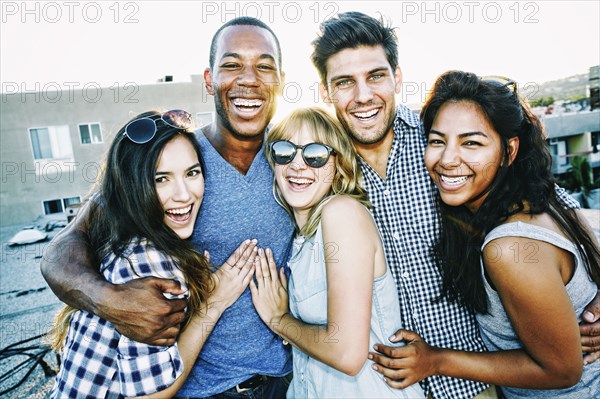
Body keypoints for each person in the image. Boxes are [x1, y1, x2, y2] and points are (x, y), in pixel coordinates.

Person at [310, 11, 600, 399]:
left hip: (484, 380)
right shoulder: (324, 168)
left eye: (375, 76)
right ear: (326, 92)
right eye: (344, 82)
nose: (363, 95)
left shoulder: (444, 140)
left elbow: (553, 206)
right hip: (394, 387)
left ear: (397, 77)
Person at [41, 17, 295, 398]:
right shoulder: (174, 159)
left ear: (280, 81)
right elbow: (63, 248)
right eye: (232, 65)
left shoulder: (296, 162)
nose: (249, 78)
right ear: (209, 80)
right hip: (198, 389)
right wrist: (109, 300)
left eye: (264, 66)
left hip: (283, 381)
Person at [370, 70, 600, 398]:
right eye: (437, 141)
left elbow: (562, 369)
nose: (448, 159)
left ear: (509, 151)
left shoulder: (509, 248)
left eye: (472, 143)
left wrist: (435, 361)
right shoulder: (542, 198)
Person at [47, 110, 257, 398]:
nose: (183, 194)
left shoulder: (119, 238)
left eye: (192, 173)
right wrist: (214, 304)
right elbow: (153, 395)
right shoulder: (149, 261)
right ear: (133, 186)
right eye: (161, 179)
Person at [249, 107, 425, 398]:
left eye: (315, 154)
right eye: (284, 151)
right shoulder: (301, 239)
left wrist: (280, 320)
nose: (297, 164)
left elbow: (347, 353)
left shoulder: (342, 213)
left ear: (339, 165)